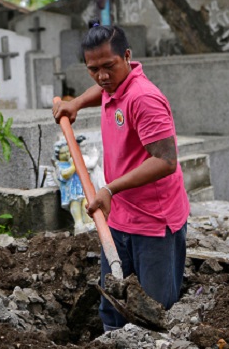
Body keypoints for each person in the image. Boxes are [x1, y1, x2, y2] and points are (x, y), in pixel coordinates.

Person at [52, 24, 189, 331]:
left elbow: (166, 161)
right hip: (118, 217)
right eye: (93, 69)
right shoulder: (112, 87)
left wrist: (110, 190)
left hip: (154, 222)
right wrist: (74, 104)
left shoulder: (143, 99)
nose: (101, 76)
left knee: (153, 309)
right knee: (112, 302)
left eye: (108, 67)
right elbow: (101, 89)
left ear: (127, 56)